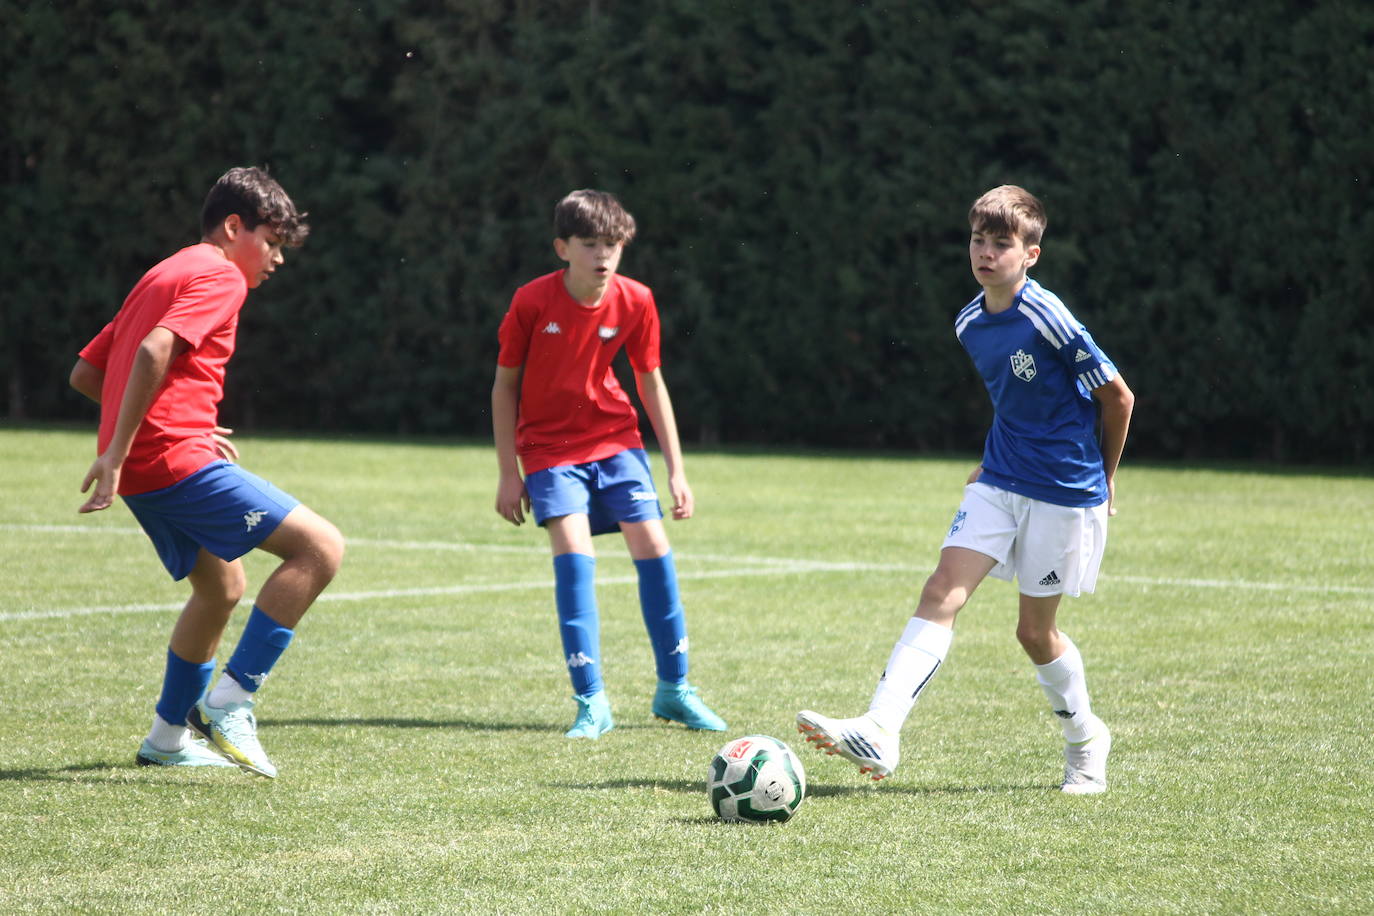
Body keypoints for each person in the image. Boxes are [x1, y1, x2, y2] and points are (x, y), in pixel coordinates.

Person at [797, 185, 1134, 794]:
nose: (985, 252)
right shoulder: (969, 322)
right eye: (978, 240)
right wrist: (989, 459)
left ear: (1031, 254)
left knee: (1034, 634)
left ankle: (1086, 739)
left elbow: (1117, 397)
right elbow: (1013, 400)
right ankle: (882, 727)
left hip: (1064, 490)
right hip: (1000, 479)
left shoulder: (1048, 317)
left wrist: (1104, 476)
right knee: (941, 590)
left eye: (1001, 243)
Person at [70, 167, 344, 777]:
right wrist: (119, 450)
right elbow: (151, 353)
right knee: (321, 548)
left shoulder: (161, 273)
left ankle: (167, 737)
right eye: (270, 242)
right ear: (232, 226)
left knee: (221, 588)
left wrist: (151, 427)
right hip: (169, 460)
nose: (275, 259)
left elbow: (88, 374)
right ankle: (231, 700)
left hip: (151, 464)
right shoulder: (220, 274)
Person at [492, 188, 727, 739]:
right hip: (549, 450)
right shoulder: (530, 301)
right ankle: (591, 701)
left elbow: (649, 380)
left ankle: (675, 690)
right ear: (562, 248)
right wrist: (509, 471)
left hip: (616, 441)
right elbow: (504, 386)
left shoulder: (637, 300)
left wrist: (676, 469)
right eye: (590, 244)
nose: (603, 255)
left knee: (653, 547)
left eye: (613, 245)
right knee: (574, 554)